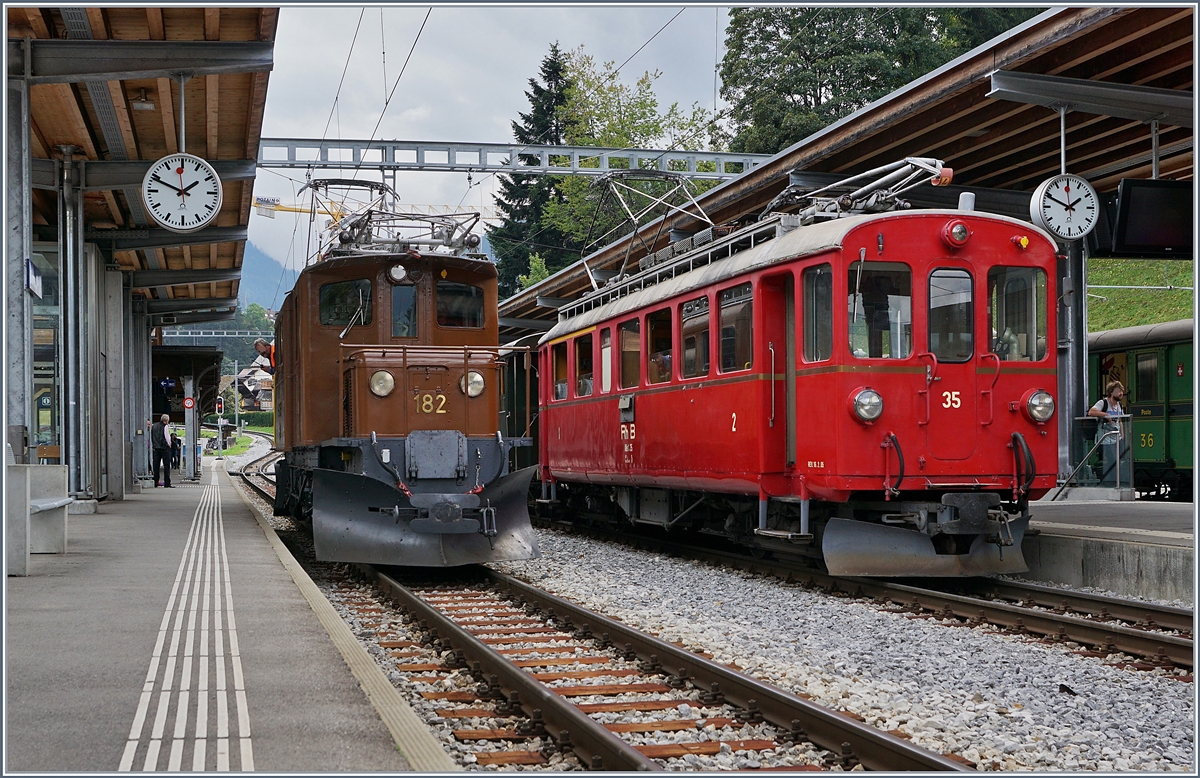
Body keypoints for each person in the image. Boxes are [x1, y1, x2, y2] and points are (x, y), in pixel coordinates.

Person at [1087, 380, 1128, 487]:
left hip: (1117, 438)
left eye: (1122, 391)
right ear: (1111, 392)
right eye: (1118, 391)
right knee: (1112, 461)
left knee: (1119, 460)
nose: (1121, 394)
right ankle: (1110, 482)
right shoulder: (1103, 403)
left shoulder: (1119, 406)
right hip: (1105, 439)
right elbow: (1091, 412)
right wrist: (1105, 414)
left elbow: (1120, 421)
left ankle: (1117, 482)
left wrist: (1122, 436)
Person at [150, 414, 174, 487]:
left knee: (156, 465)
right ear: (166, 420)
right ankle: (167, 483)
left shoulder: (154, 426)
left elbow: (152, 436)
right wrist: (169, 444)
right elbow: (167, 437)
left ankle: (155, 481)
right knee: (166, 465)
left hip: (156, 448)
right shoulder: (165, 426)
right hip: (164, 448)